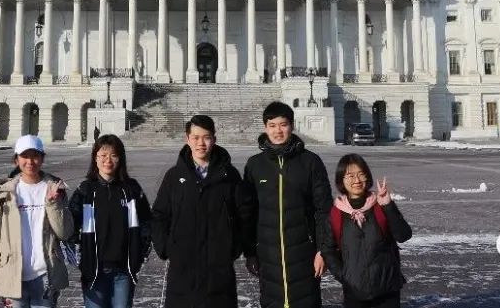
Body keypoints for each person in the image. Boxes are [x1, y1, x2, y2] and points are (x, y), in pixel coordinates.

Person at [240, 101, 333, 308]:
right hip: (268, 255)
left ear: (291, 125)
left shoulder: (310, 162)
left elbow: (324, 209)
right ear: (265, 127)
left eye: (283, 124)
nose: (277, 131)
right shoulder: (255, 165)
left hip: (304, 252)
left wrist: (323, 250)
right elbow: (248, 213)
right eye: (272, 125)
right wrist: (250, 252)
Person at [152, 115, 245, 308]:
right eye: (195, 137)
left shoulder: (230, 175)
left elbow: (243, 215)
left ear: (214, 139)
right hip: (183, 268)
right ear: (187, 139)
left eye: (206, 137)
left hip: (218, 270)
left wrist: (233, 247)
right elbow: (159, 215)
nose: (200, 143)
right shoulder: (174, 176)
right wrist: (167, 248)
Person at [0, 134, 74, 308]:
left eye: (35, 156)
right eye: (25, 156)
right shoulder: (5, 193)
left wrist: (53, 203)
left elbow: (65, 233)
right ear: (16, 160)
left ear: (42, 158)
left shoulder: (55, 188)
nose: (30, 161)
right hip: (12, 274)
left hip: (46, 274)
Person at [68, 134, 153, 308]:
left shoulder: (131, 189)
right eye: (103, 155)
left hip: (123, 270)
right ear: (95, 158)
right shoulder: (85, 190)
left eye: (113, 155)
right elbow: (70, 227)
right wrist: (80, 259)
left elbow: (146, 223)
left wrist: (139, 255)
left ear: (120, 158)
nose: (108, 160)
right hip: (94, 271)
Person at [324, 154, 412, 308]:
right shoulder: (336, 213)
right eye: (350, 176)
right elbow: (328, 249)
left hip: (387, 290)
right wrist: (344, 276)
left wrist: (388, 205)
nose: (357, 180)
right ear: (341, 181)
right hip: (355, 292)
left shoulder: (379, 205)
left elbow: (404, 235)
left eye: (361, 174)